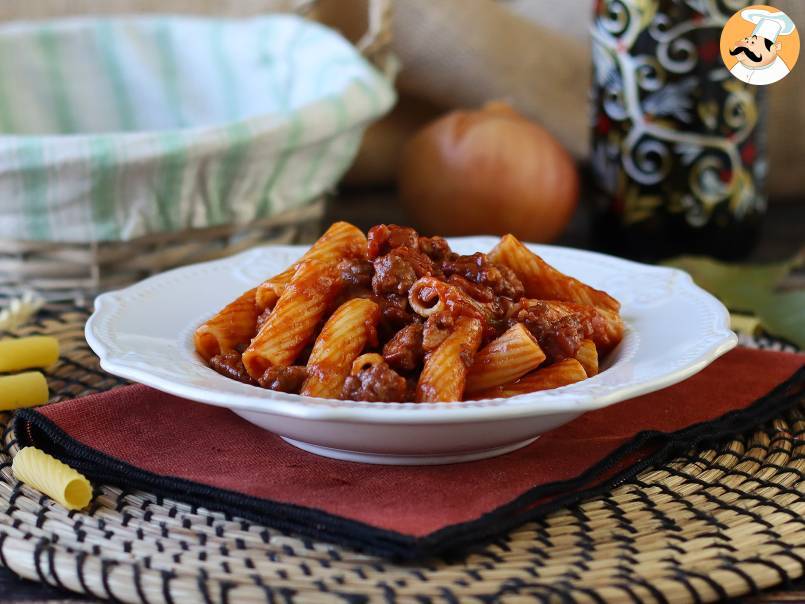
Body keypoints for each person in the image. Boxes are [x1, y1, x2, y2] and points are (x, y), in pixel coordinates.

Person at [729, 9, 796, 85]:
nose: (746, 44)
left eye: (753, 43)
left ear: (775, 47)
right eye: (747, 40)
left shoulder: (778, 70)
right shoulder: (739, 65)